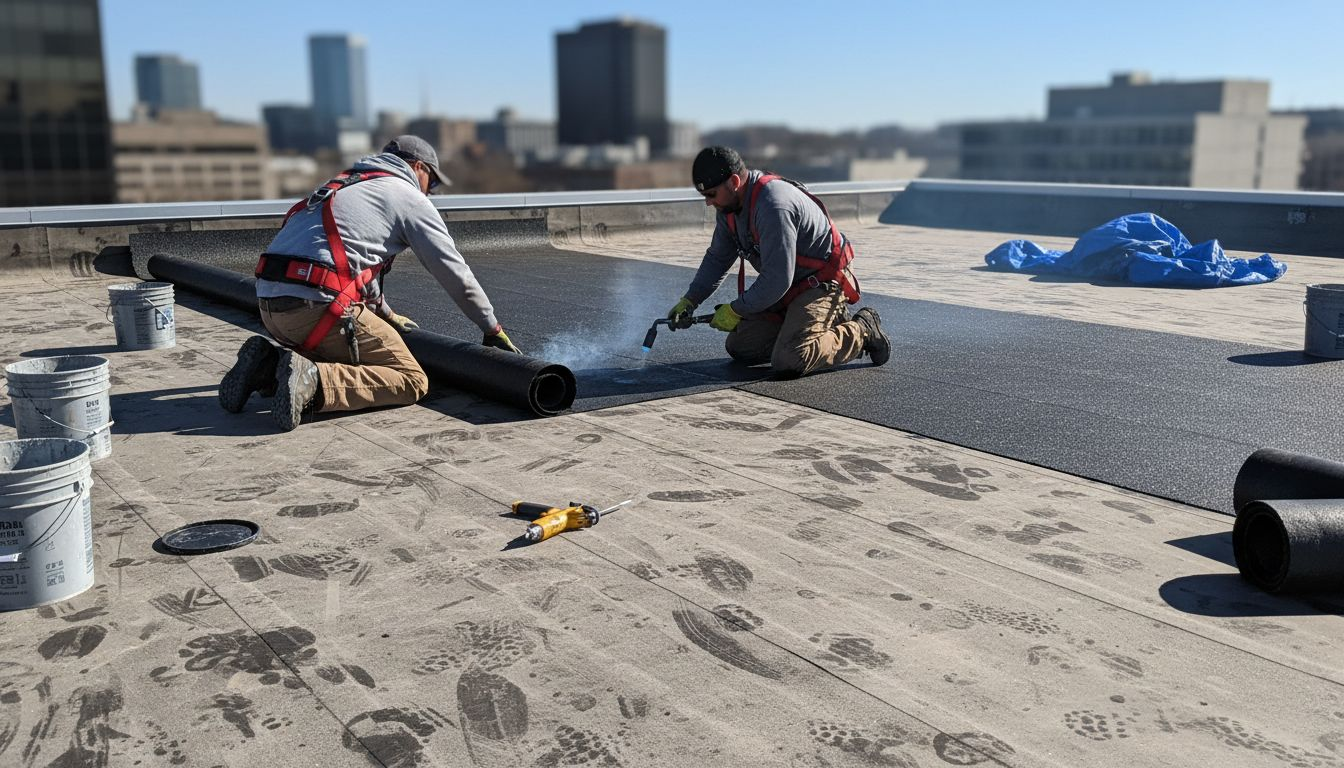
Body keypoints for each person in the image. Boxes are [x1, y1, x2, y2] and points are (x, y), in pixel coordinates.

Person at [218, 135, 521, 431]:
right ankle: (314, 379)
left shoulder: (344, 185)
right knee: (410, 378)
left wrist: (385, 314)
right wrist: (491, 328)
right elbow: (454, 272)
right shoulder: (407, 196)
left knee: (347, 353)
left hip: (272, 308)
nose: (432, 192)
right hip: (315, 308)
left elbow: (353, 264)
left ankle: (267, 367)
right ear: (418, 167)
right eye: (434, 182)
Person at [665, 146, 890, 377]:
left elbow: (777, 280)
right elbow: (717, 259)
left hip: (822, 280)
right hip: (790, 283)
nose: (708, 203)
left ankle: (862, 328)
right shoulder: (729, 209)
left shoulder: (774, 205)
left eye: (711, 195)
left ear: (733, 181)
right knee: (741, 346)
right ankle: (815, 326)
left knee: (790, 359)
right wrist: (690, 300)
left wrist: (735, 310)